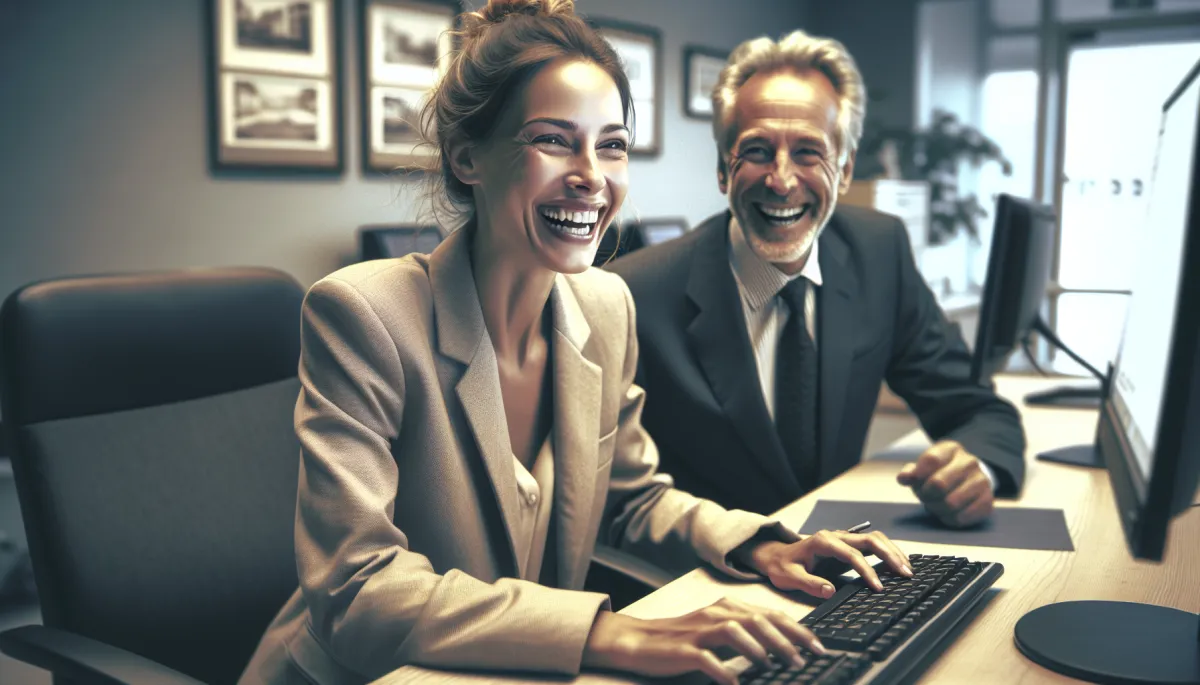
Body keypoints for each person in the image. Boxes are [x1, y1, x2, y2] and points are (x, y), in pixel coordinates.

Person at [239, 4, 914, 685]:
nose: (592, 175)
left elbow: (631, 498)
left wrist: (763, 545)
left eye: (612, 144)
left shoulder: (605, 303)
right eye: (554, 140)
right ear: (467, 157)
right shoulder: (363, 314)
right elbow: (359, 591)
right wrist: (606, 631)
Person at [609, 30, 1026, 529]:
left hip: (848, 573)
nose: (781, 181)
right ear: (723, 168)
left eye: (809, 152)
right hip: (706, 586)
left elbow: (977, 408)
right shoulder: (633, 295)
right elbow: (613, 506)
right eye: (757, 151)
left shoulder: (878, 254)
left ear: (845, 170)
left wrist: (973, 469)